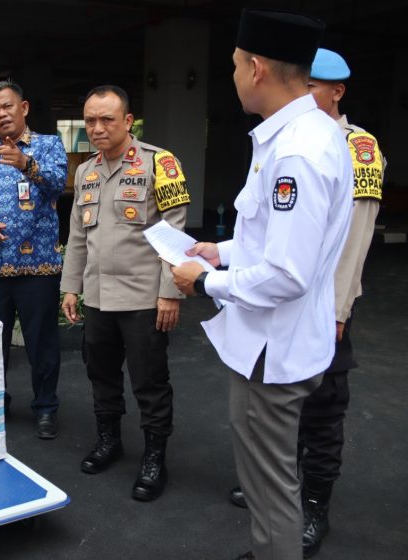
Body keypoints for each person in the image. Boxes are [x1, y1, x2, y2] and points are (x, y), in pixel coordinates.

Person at [171, 10, 353, 560]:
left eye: (232, 66)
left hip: (274, 352)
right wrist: (219, 251)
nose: (231, 76)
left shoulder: (296, 150)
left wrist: (205, 282)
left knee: (270, 490)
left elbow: (286, 274)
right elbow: (277, 240)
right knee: (268, 480)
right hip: (280, 340)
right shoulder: (304, 133)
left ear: (255, 68)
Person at [227, 47, 386, 559]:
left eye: (315, 87)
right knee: (275, 445)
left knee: (319, 416)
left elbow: (347, 242)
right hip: (288, 313)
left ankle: (305, 510)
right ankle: (279, 518)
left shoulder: (330, 147)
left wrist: (337, 310)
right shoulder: (291, 139)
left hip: (306, 313)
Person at [61, 85, 189, 501]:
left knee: (150, 382)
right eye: (90, 121)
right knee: (101, 375)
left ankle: (155, 458)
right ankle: (109, 440)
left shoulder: (160, 164)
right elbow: (78, 235)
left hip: (142, 299)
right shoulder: (85, 171)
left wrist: (170, 292)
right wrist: (70, 287)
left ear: (127, 121)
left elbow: (176, 235)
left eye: (106, 120)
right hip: (98, 298)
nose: (97, 128)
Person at [0, 81, 67, 440]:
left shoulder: (49, 145)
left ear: (24, 108)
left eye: (7, 107)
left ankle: (46, 407)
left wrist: (27, 164)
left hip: (39, 266)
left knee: (42, 343)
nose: (1, 114)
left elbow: (57, 184)